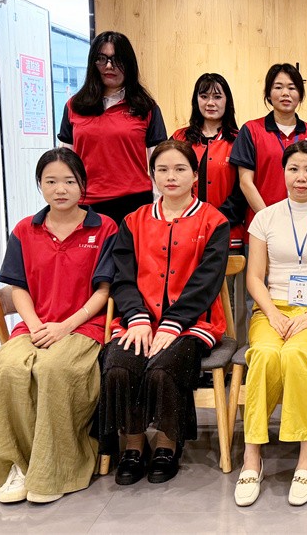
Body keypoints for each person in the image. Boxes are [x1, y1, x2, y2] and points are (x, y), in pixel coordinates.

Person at [0, 148, 117, 504]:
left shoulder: (104, 228)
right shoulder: (25, 229)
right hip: (34, 326)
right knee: (7, 368)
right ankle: (17, 465)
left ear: (83, 185)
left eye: (69, 181)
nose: (60, 189)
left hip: (84, 327)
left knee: (55, 370)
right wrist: (37, 324)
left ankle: (54, 468)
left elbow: (104, 291)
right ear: (39, 185)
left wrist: (65, 326)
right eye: (51, 181)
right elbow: (18, 287)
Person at [100, 140, 230, 486]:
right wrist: (137, 318)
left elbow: (206, 282)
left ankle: (167, 444)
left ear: (195, 175)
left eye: (180, 169)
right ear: (152, 175)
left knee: (164, 367)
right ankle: (132, 445)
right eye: (163, 170)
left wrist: (173, 324)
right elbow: (122, 278)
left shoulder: (214, 221)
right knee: (120, 364)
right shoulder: (133, 221)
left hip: (193, 323)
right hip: (138, 321)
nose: (171, 177)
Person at [234, 141, 307, 507]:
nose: (301, 177)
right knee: (264, 354)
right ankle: (252, 454)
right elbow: (255, 277)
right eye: (293, 169)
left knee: (297, 354)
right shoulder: (265, 218)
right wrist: (272, 313)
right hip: (272, 310)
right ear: (283, 172)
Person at [58, 31, 167, 225]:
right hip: (86, 205)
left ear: (129, 64)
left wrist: (159, 207)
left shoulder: (146, 107)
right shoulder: (74, 106)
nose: (109, 66)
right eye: (102, 59)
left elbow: (159, 163)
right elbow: (65, 162)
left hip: (134, 205)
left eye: (117, 60)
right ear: (93, 63)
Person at [230, 63, 307, 226]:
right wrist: (268, 219)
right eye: (278, 87)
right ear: (268, 94)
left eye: (292, 88)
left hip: (305, 224)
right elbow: (245, 182)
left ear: (300, 94)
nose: (285, 93)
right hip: (262, 223)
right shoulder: (251, 130)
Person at [172, 72, 247, 250]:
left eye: (217, 97)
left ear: (227, 101)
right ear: (196, 100)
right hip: (184, 232)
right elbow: (169, 180)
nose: (210, 103)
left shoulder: (239, 140)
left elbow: (243, 191)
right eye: (204, 96)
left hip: (228, 234)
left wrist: (215, 220)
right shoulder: (179, 138)